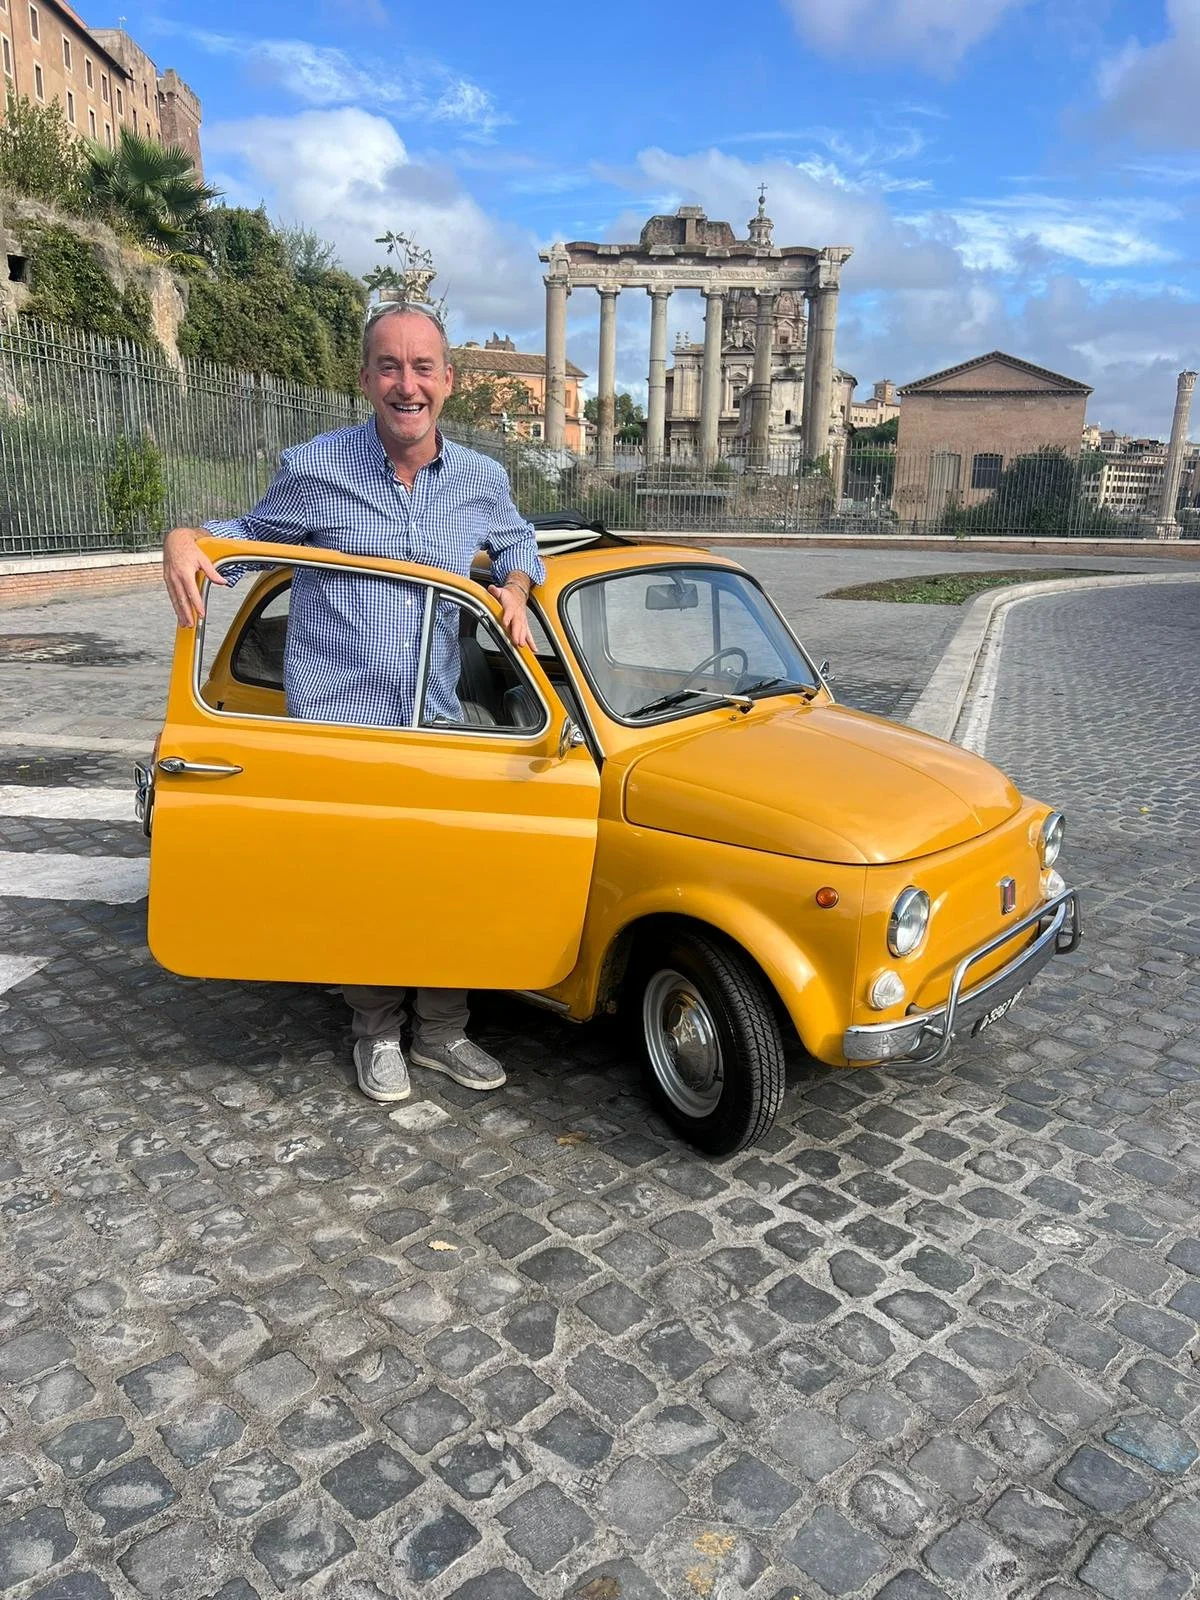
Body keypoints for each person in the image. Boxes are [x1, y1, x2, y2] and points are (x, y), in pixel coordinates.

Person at [161, 300, 544, 1107]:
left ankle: (440, 1033)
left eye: (423, 367)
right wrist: (183, 539)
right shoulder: (315, 467)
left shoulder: (481, 479)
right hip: (341, 728)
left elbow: (518, 538)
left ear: (448, 380)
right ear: (366, 378)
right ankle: (375, 1032)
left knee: (441, 883)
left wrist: (512, 586)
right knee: (360, 887)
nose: (408, 384)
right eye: (390, 367)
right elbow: (243, 538)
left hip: (434, 725)